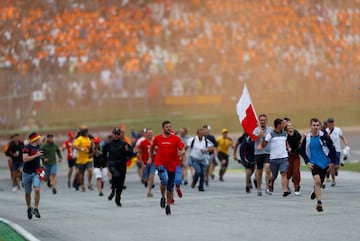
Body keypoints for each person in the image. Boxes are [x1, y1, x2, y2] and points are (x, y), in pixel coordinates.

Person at [149, 120, 185, 215]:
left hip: (172, 164)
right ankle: (162, 197)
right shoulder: (158, 138)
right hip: (161, 163)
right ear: (163, 128)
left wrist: (182, 152)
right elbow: (152, 148)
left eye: (170, 127)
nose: (169, 128)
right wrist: (150, 157)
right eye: (167, 127)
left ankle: (168, 204)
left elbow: (182, 148)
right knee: (164, 180)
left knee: (170, 186)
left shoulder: (176, 138)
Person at [300, 118, 336, 212]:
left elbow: (332, 149)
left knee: (319, 183)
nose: (315, 127)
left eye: (317, 125)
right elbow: (302, 151)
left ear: (319, 126)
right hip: (314, 163)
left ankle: (315, 190)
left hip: (325, 163)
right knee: (317, 180)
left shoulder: (324, 137)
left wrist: (332, 162)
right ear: (310, 126)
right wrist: (307, 162)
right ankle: (319, 203)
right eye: (314, 125)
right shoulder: (307, 138)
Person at [103, 128, 134, 207]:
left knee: (120, 184)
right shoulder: (109, 144)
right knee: (116, 175)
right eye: (115, 134)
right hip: (112, 164)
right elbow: (103, 154)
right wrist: (106, 162)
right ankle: (113, 190)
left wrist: (127, 151)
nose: (116, 135)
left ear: (120, 135)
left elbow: (131, 154)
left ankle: (118, 198)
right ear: (112, 134)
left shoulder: (124, 144)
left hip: (122, 165)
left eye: (118, 134)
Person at [262, 118, 290, 197]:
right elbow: (264, 145)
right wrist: (264, 138)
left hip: (284, 157)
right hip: (274, 158)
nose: (284, 125)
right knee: (274, 175)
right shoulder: (270, 134)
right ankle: (271, 182)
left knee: (283, 173)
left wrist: (288, 148)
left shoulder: (285, 133)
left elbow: (286, 142)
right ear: (278, 125)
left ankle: (285, 190)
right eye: (282, 124)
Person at [22, 132, 43, 219]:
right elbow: (25, 159)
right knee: (27, 193)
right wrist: (36, 155)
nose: (40, 140)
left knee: (37, 189)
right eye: (39, 138)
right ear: (35, 139)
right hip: (26, 173)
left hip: (36, 172)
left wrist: (41, 164)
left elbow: (43, 140)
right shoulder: (27, 148)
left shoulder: (38, 146)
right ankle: (28, 208)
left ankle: (36, 208)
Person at [188, 128, 215, 192]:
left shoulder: (206, 140)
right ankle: (194, 181)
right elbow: (186, 146)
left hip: (203, 159)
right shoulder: (193, 139)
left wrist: (205, 150)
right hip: (194, 158)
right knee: (198, 171)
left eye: (202, 134)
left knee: (203, 173)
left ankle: (201, 186)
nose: (201, 135)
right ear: (197, 134)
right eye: (200, 133)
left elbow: (212, 148)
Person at [326, 117, 350, 186]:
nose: (331, 124)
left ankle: (336, 170)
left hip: (337, 150)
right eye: (329, 123)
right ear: (328, 124)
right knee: (332, 166)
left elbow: (342, 137)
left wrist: (346, 145)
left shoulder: (338, 129)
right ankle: (333, 180)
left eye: (332, 123)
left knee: (336, 166)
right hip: (330, 151)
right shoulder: (326, 131)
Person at [253, 114, 273, 196]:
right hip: (258, 152)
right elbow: (252, 138)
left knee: (268, 167)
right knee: (259, 171)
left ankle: (267, 187)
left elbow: (273, 138)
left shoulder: (270, 129)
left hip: (268, 152)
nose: (262, 122)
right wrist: (258, 135)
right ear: (259, 121)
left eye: (264, 120)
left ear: (266, 121)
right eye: (261, 120)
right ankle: (258, 188)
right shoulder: (256, 130)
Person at [136, 128, 156, 197]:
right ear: (146, 134)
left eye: (151, 133)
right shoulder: (143, 142)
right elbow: (140, 153)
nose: (150, 134)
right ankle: (145, 180)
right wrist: (141, 163)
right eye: (149, 133)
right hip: (145, 162)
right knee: (146, 178)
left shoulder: (155, 141)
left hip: (153, 161)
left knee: (152, 175)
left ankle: (149, 191)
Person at [285, 121, 303, 196]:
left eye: (291, 125)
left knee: (296, 171)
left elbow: (300, 141)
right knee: (288, 173)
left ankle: (297, 187)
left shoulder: (296, 133)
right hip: (288, 156)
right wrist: (287, 148)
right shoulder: (285, 135)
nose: (290, 127)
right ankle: (286, 187)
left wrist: (302, 140)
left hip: (295, 155)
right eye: (288, 126)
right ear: (286, 128)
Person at [73, 127, 92, 192]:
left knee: (90, 170)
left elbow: (90, 147)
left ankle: (89, 183)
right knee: (81, 174)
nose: (88, 133)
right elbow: (74, 146)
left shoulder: (88, 139)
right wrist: (81, 149)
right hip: (80, 160)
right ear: (84, 133)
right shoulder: (79, 139)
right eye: (87, 132)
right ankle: (83, 185)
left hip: (88, 158)